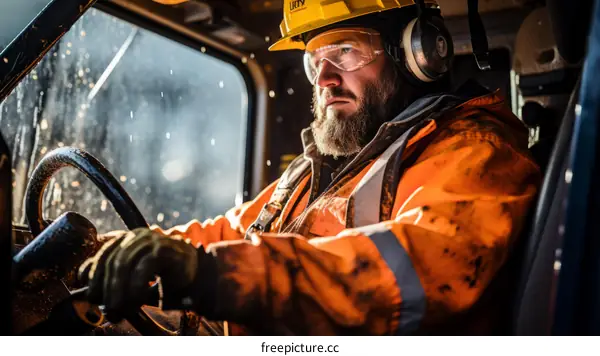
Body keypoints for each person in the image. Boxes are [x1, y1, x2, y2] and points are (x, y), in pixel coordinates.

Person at [78, 0, 541, 335]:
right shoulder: (318, 169)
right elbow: (229, 235)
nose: (324, 79)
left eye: (344, 52)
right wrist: (106, 252)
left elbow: (422, 269)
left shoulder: (474, 153)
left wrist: (214, 275)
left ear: (417, 53)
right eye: (314, 61)